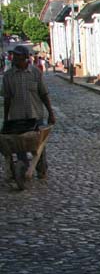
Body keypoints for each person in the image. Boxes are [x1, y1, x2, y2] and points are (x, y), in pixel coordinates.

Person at [2, 44, 56, 179]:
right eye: (14, 56)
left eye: (18, 56)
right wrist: (6, 119)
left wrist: (51, 112)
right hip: (17, 117)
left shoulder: (35, 73)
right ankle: (22, 167)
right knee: (19, 145)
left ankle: (41, 169)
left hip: (35, 115)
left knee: (38, 145)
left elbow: (44, 94)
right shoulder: (8, 76)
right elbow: (7, 98)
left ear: (26, 58)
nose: (14, 58)